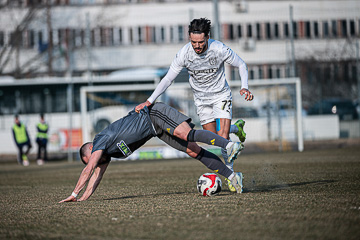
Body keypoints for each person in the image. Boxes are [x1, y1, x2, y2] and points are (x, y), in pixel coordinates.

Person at [135, 18, 254, 192]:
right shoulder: (184, 53)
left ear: (208, 37)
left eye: (200, 42)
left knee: (223, 138)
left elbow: (241, 64)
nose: (197, 46)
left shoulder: (219, 49)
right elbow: (168, 79)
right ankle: (237, 128)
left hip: (220, 95)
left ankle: (233, 177)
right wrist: (149, 100)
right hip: (201, 100)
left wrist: (244, 87)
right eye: (193, 42)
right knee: (213, 137)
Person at [59, 102, 244, 203]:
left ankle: (228, 145)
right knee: (194, 151)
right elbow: (95, 175)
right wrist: (82, 199)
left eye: (92, 158)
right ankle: (233, 176)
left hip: (154, 114)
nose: (96, 162)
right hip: (156, 130)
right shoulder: (107, 154)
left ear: (91, 149)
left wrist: (74, 193)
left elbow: (89, 169)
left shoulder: (100, 139)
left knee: (187, 134)